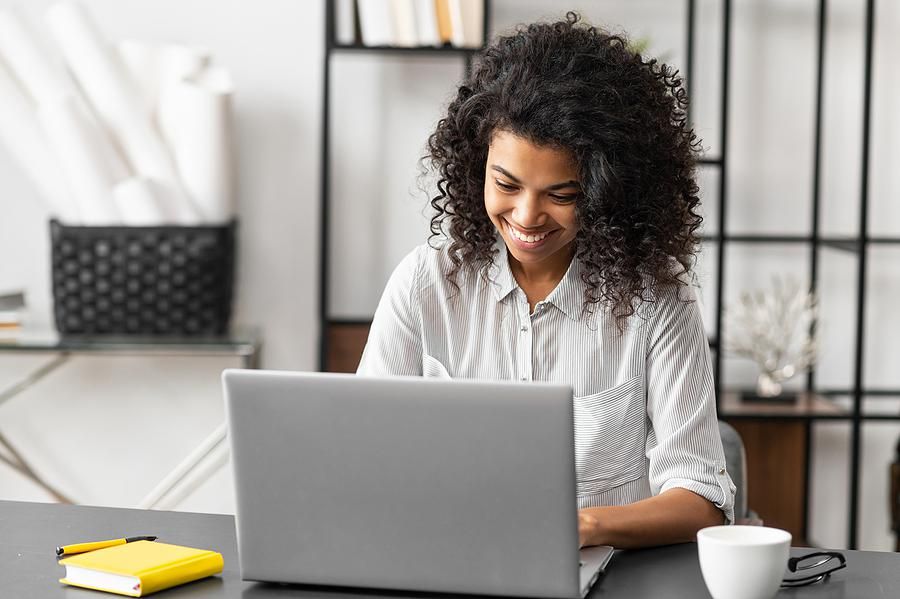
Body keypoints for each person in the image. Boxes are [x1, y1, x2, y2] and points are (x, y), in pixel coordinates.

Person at [357, 12, 735, 549]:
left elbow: (702, 499)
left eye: (562, 195)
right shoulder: (426, 284)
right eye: (506, 183)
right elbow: (364, 460)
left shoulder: (657, 300)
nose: (527, 216)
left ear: (607, 193)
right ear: (476, 163)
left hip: (599, 576)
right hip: (443, 563)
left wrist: (582, 527)